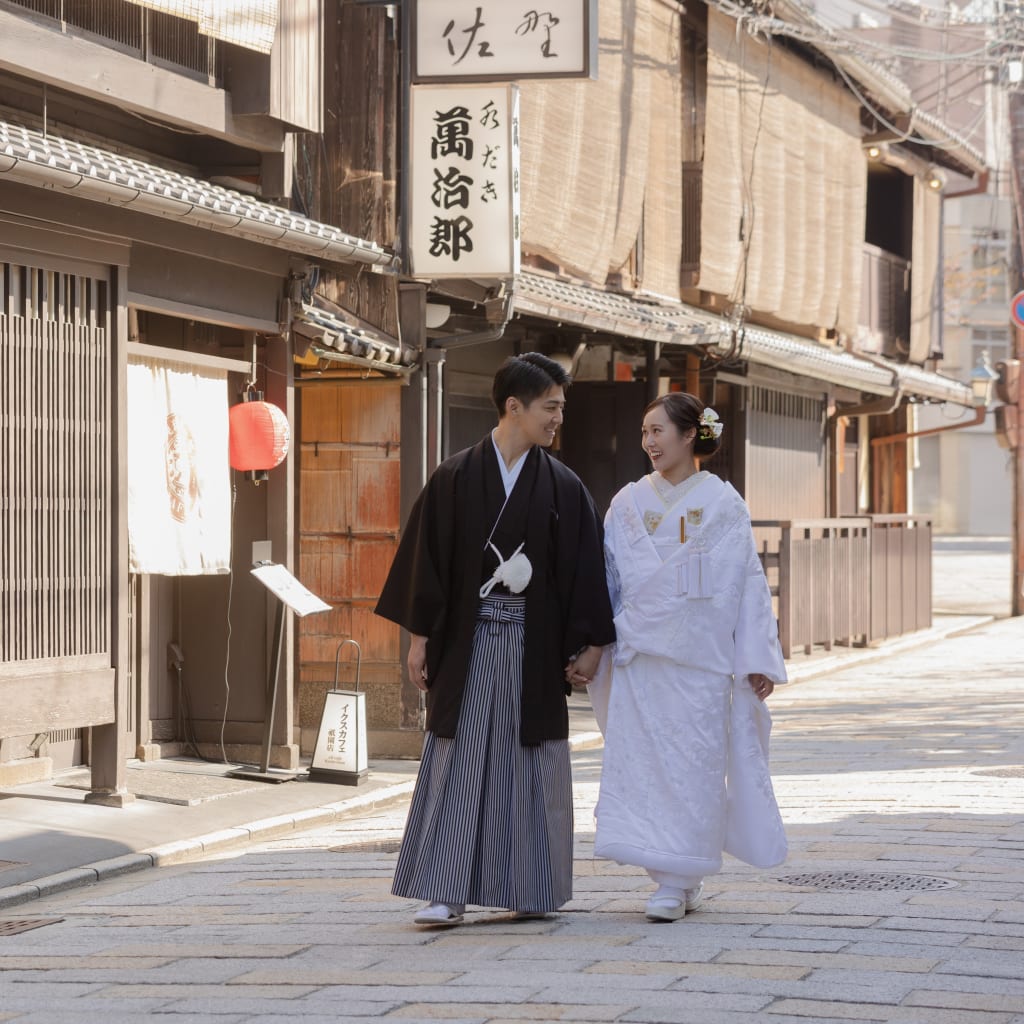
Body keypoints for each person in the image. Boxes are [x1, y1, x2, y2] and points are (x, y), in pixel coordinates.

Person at [375, 352, 616, 927]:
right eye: (551, 407)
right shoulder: (454, 477)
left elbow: (586, 569)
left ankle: (529, 885)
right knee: (458, 759)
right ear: (515, 407)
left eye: (560, 408)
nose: (559, 419)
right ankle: (446, 889)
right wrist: (418, 639)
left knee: (529, 761)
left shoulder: (562, 485)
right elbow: (426, 564)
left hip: (533, 647)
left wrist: (593, 643)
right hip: (467, 642)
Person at [588, 391, 787, 923]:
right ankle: (672, 874)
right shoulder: (627, 502)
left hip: (699, 660)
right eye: (645, 432)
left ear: (688, 435)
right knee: (644, 766)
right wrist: (593, 644)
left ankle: (680, 877)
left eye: (658, 431)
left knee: (694, 765)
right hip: (641, 656)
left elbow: (746, 583)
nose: (649, 442)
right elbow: (608, 582)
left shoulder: (724, 503)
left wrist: (756, 657)